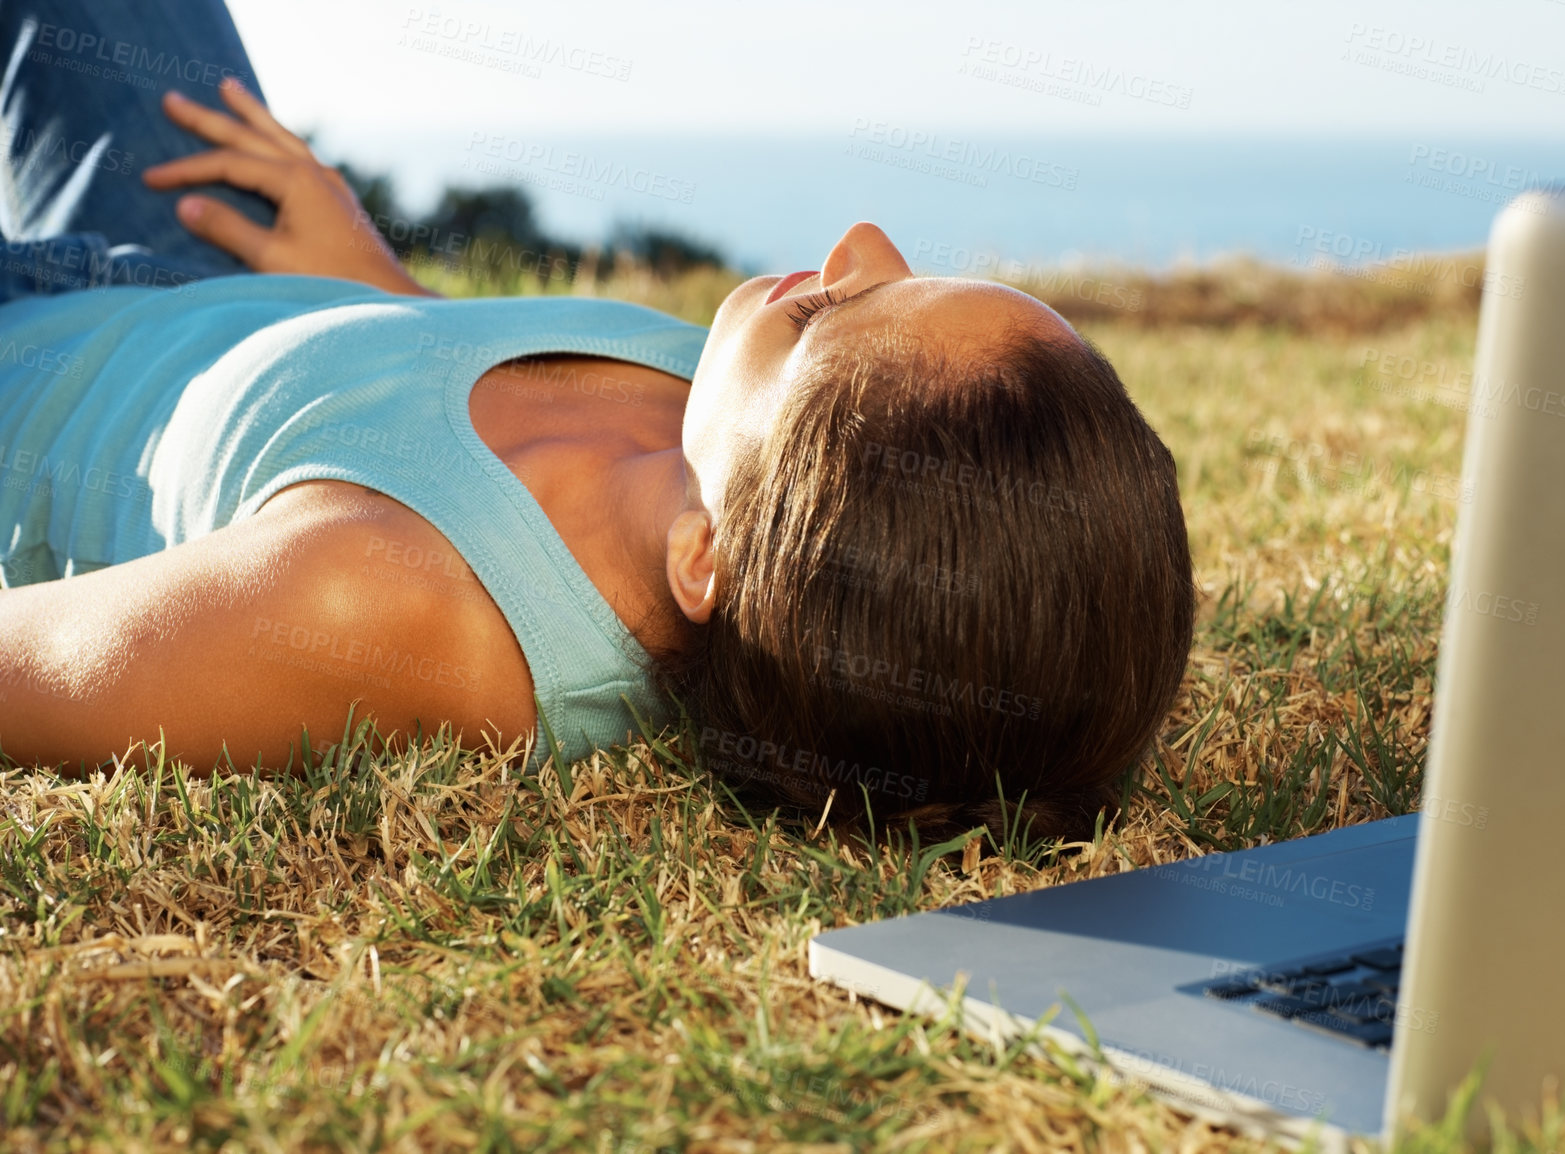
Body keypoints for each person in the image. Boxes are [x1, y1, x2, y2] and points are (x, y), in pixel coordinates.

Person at [0, 1, 1194, 842]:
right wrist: (372, 289)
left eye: (832, 311)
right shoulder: (736, 442)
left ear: (707, 560)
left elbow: (33, 662)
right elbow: (444, 436)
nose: (860, 242)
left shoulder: (382, 602)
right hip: (210, 282)